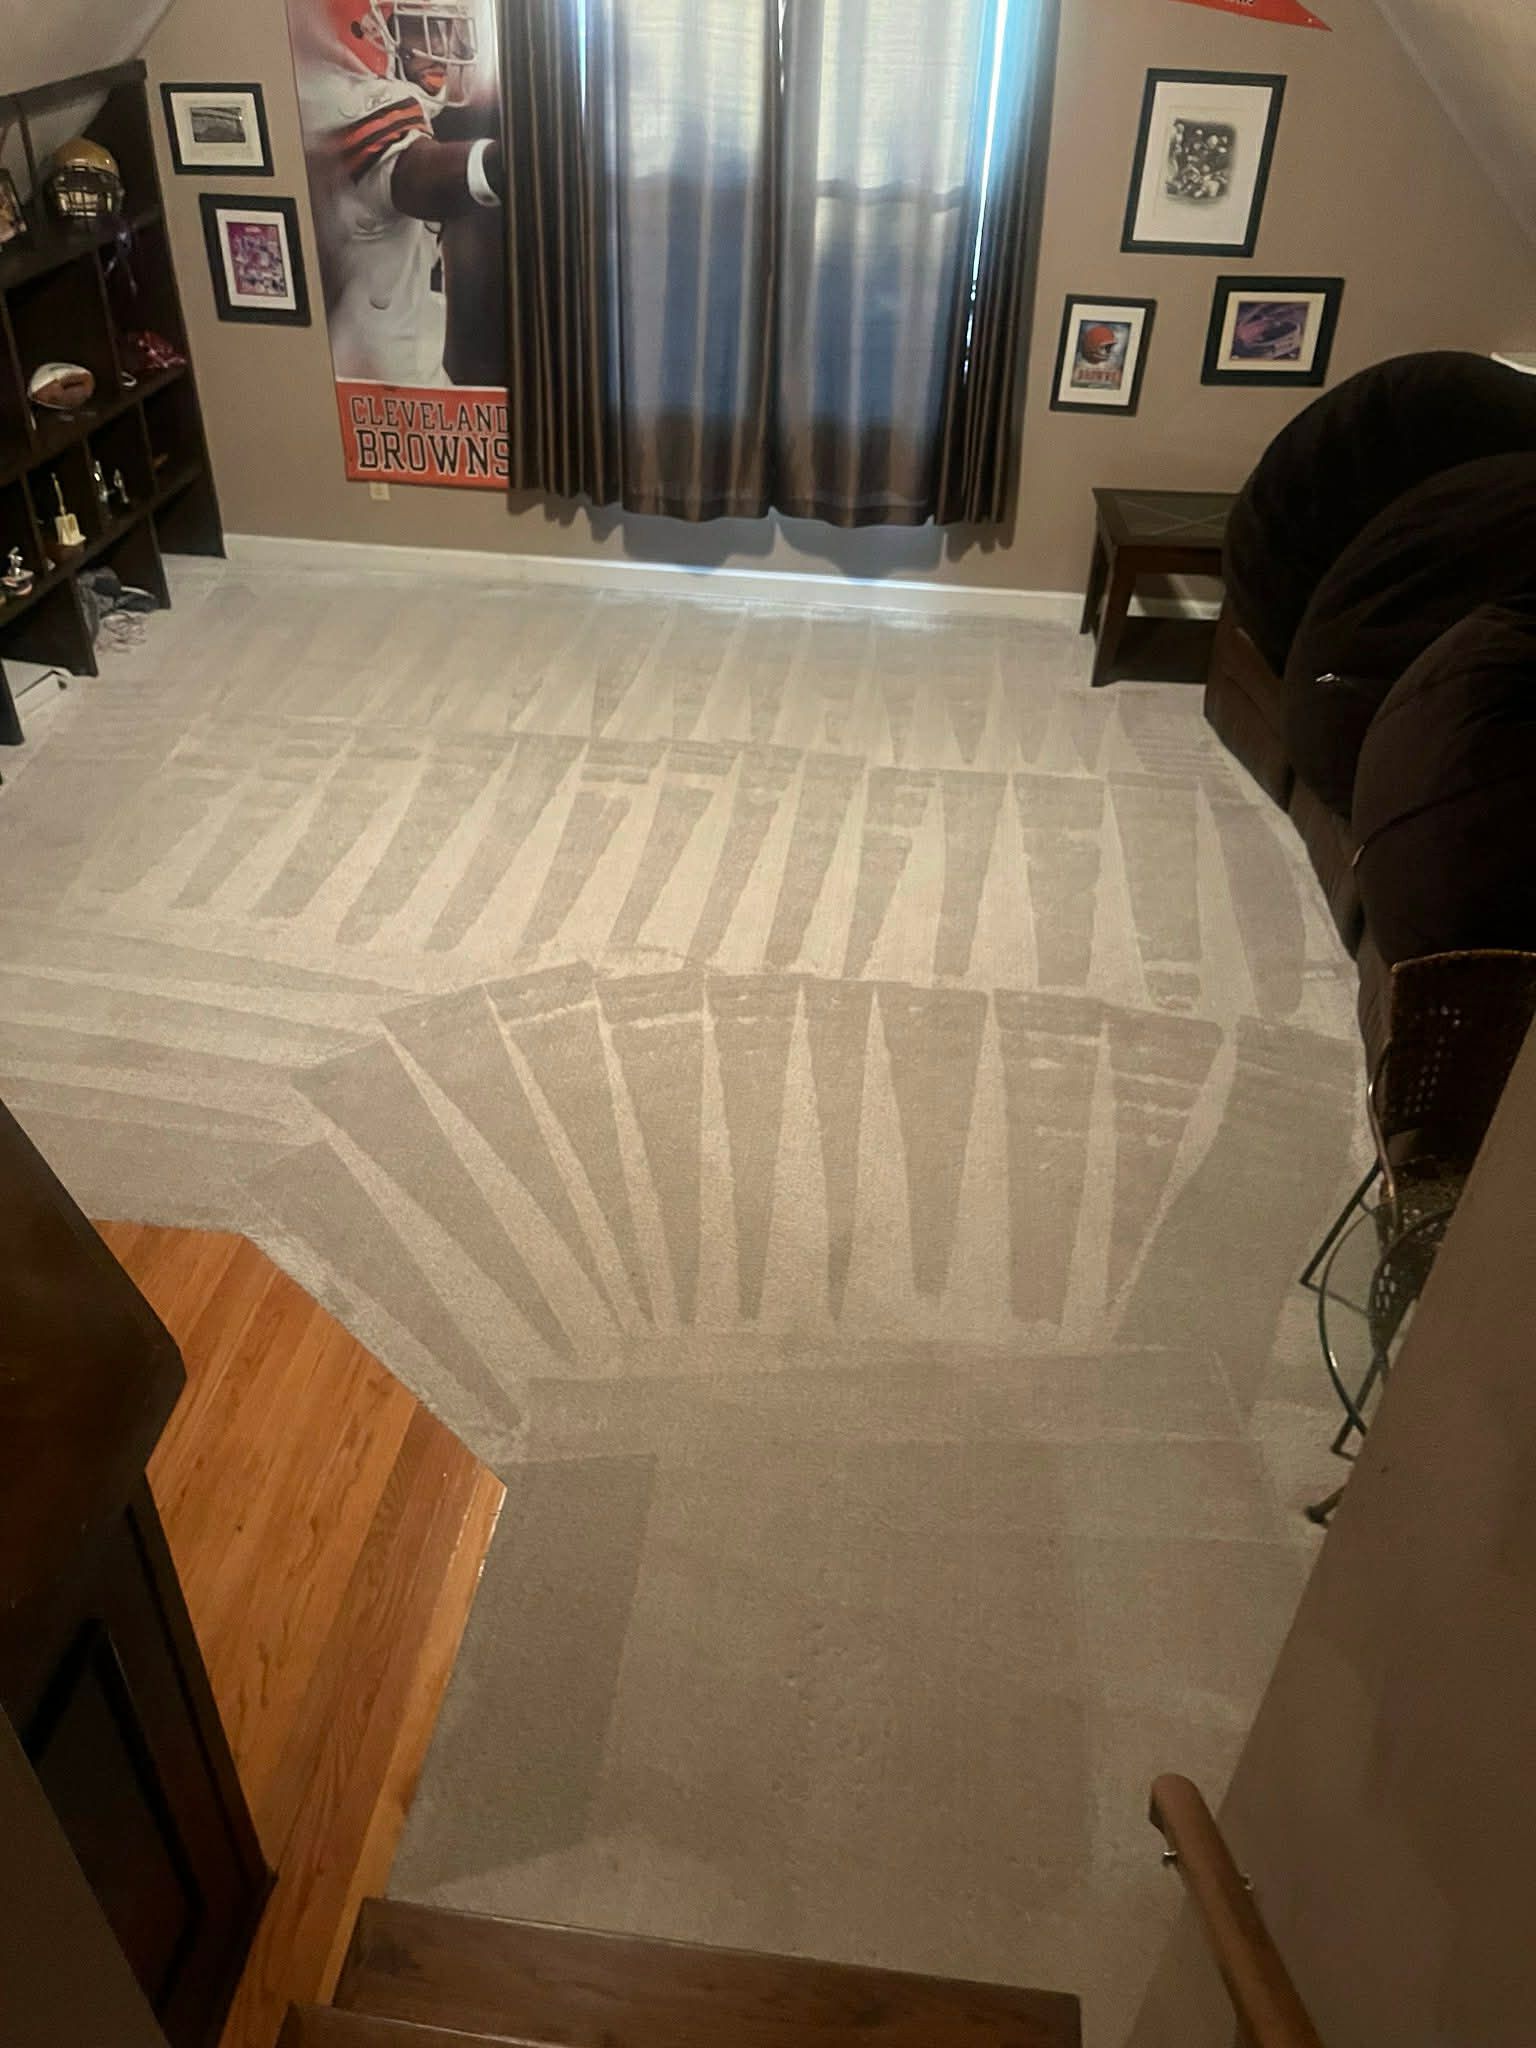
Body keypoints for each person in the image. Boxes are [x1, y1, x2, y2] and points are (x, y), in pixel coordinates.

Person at [296, 0, 503, 384]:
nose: (444, 46)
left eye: (447, 28)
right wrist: (503, 165)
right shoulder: (341, 100)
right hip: (374, 393)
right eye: (422, 27)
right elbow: (414, 176)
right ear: (365, 29)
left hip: (397, 377)